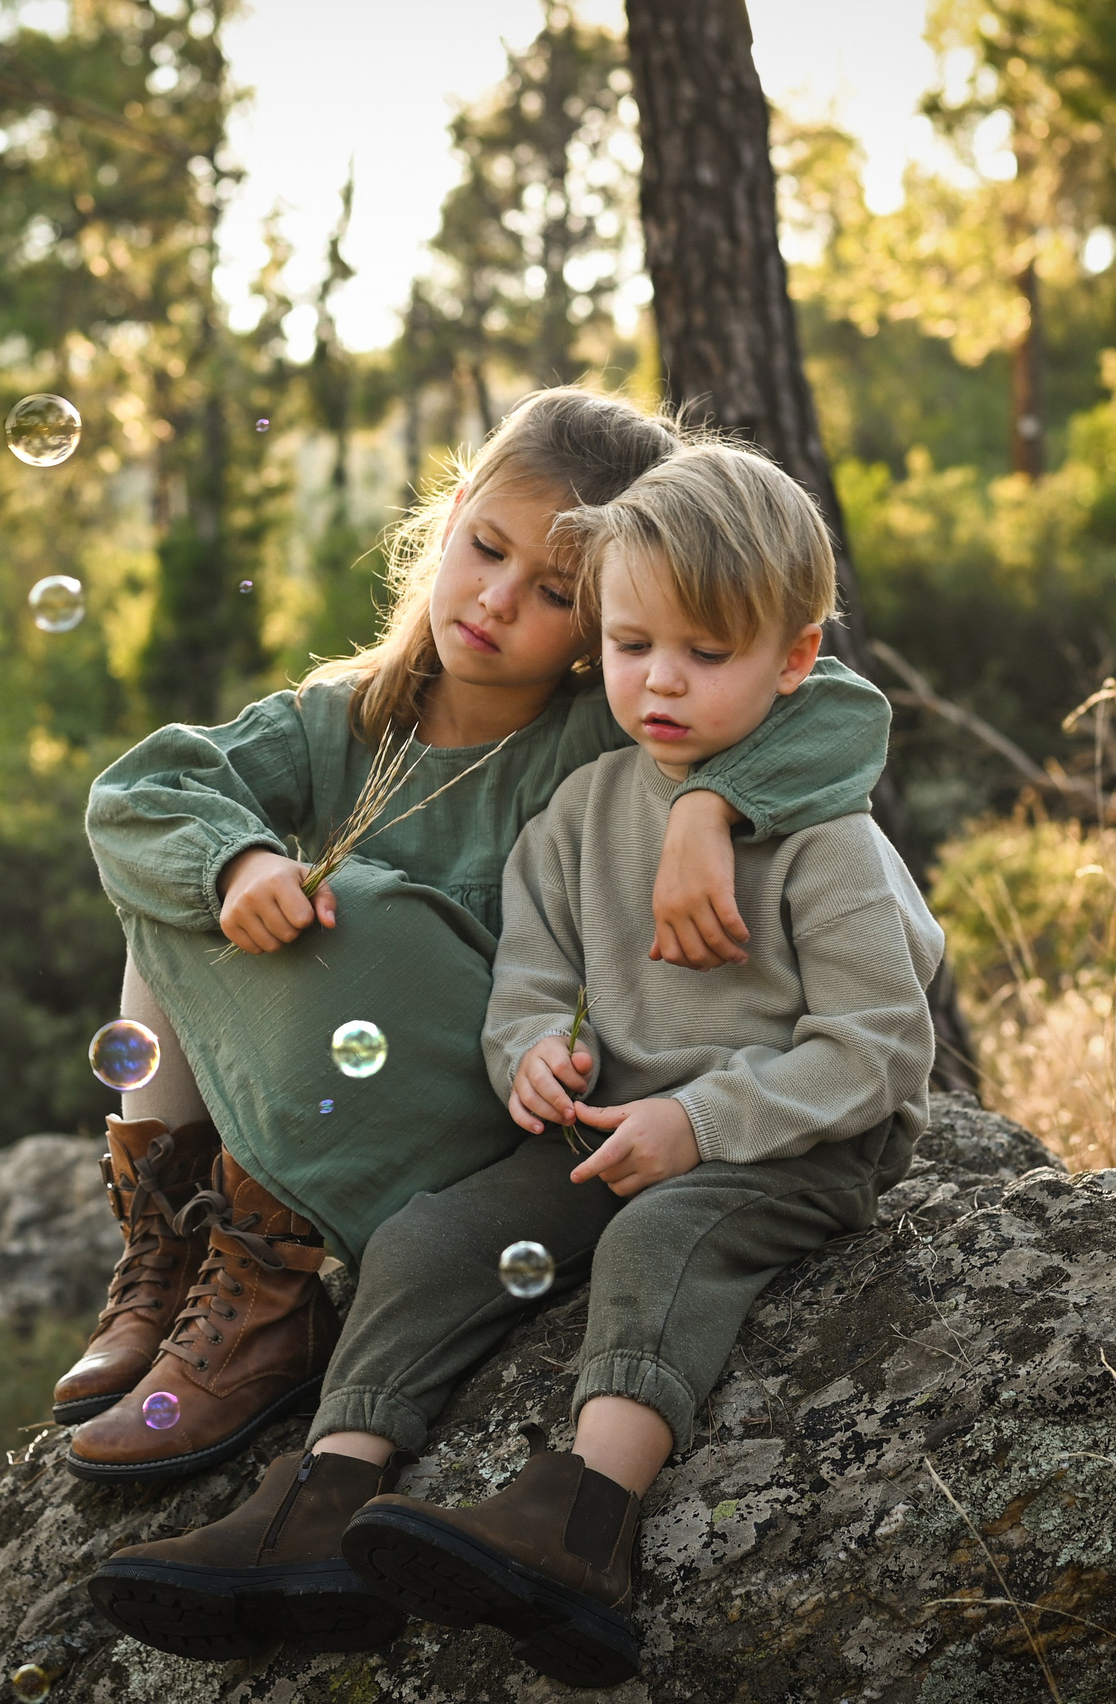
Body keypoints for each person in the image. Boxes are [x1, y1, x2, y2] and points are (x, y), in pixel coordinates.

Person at [87, 442, 944, 1685]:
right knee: (425, 1241)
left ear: (788, 658)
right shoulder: (576, 807)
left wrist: (698, 1116)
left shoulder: (819, 838)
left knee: (658, 1240)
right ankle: (324, 1494)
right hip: (613, 1121)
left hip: (787, 1137)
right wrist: (536, 1053)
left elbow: (877, 1049)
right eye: (635, 645)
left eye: (704, 654)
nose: (662, 679)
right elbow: (533, 981)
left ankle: (582, 1521)